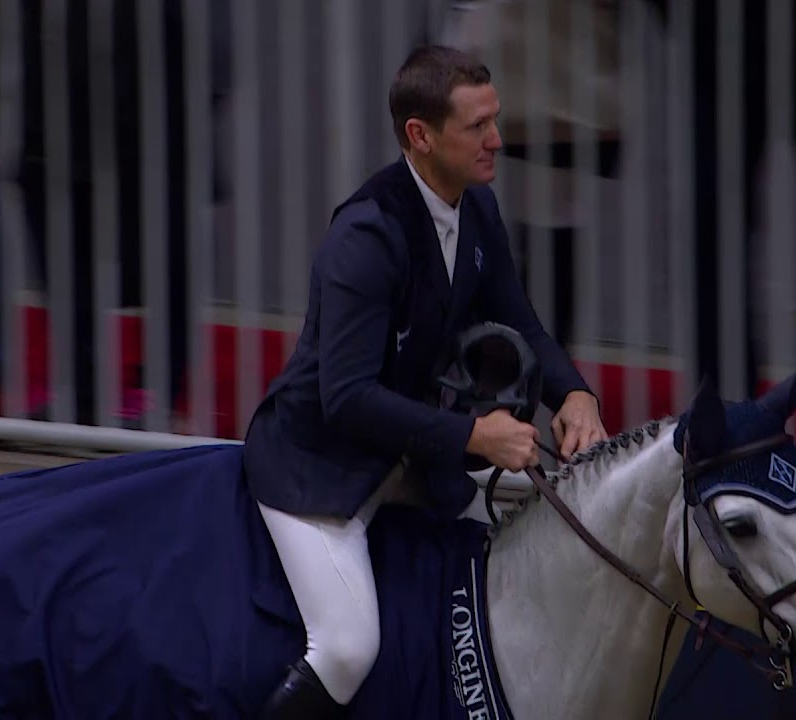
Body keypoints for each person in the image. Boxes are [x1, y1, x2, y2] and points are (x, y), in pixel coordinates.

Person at [240, 45, 608, 718]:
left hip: (409, 462)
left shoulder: (478, 208)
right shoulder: (365, 236)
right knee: (347, 648)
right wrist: (476, 435)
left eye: (496, 120)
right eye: (478, 127)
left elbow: (519, 320)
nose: (498, 140)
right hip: (317, 470)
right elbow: (346, 399)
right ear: (421, 135)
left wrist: (577, 393)